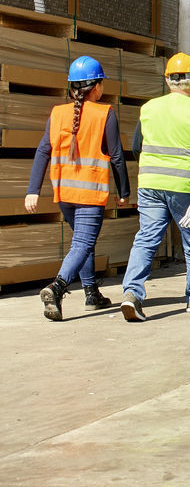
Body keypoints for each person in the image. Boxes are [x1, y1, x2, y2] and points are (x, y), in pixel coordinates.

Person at [26, 56, 131, 321]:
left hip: (64, 193)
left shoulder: (57, 113)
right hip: (90, 193)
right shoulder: (104, 113)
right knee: (83, 243)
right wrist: (124, 192)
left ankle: (91, 293)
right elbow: (117, 156)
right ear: (96, 87)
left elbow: (43, 151)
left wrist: (33, 190)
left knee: (82, 243)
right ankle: (57, 287)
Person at [119, 53, 190, 321]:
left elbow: (137, 146)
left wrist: (150, 171)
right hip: (184, 188)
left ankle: (132, 294)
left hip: (150, 184)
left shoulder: (148, 108)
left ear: (168, 79)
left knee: (146, 238)